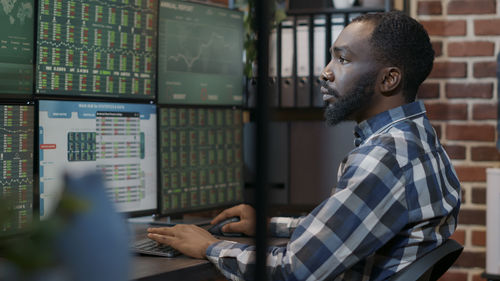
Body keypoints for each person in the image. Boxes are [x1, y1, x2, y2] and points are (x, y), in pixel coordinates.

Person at [147, 11, 461, 280]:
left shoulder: (384, 158)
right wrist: (270, 225)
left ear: (389, 80)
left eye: (342, 59)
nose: (325, 72)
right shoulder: (417, 138)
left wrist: (209, 246)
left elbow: (294, 270)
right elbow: (348, 222)